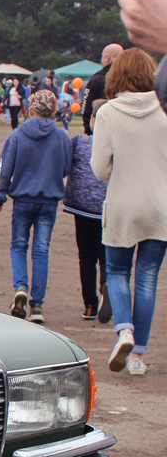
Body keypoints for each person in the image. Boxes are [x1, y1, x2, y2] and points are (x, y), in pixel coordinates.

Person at [90, 47, 167, 374]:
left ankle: (124, 329)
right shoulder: (164, 112)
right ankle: (137, 356)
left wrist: (122, 171)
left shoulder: (107, 113)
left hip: (122, 202)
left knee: (117, 272)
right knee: (147, 279)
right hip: (160, 204)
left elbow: (99, 168)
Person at [0, 89, 72, 324]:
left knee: (18, 247)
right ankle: (37, 306)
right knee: (41, 251)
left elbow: (4, 171)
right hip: (48, 202)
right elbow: (66, 168)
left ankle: (20, 288)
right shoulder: (62, 136)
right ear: (54, 111)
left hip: (22, 201)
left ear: (30, 109)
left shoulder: (16, 135)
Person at [63, 131, 109, 321]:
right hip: (106, 206)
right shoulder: (113, 140)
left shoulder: (78, 142)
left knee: (86, 257)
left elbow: (66, 168)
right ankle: (107, 286)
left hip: (81, 206)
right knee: (105, 255)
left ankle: (90, 306)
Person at [82, 44, 123, 134]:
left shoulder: (97, 79)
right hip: (124, 129)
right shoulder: (129, 77)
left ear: (107, 58)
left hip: (100, 130)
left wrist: (89, 131)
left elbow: (86, 107)